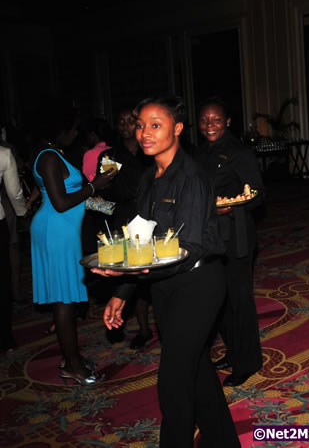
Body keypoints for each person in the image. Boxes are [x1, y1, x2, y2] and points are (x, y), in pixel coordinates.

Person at [95, 97, 238, 447]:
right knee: (197, 369)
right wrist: (122, 292)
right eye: (141, 125)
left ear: (177, 129)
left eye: (155, 125)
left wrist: (134, 271)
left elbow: (186, 247)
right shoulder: (148, 178)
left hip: (199, 285)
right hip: (163, 286)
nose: (145, 133)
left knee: (173, 381)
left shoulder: (192, 177)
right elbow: (140, 236)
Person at [31, 111, 117, 384]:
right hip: (55, 231)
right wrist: (94, 186)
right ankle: (73, 366)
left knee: (67, 296)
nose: (76, 133)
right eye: (72, 129)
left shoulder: (55, 152)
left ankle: (71, 358)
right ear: (60, 128)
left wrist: (111, 207)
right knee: (64, 299)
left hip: (64, 230)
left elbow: (74, 198)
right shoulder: (47, 157)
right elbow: (60, 202)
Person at [194, 96, 264, 387]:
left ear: (228, 122)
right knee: (217, 299)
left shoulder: (239, 153)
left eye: (216, 120)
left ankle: (247, 361)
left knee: (239, 300)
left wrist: (233, 205)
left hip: (236, 234)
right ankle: (233, 352)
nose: (210, 125)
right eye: (205, 120)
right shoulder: (198, 153)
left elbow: (258, 193)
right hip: (209, 235)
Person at [96, 107, 154, 349]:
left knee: (160, 275)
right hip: (125, 221)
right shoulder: (111, 157)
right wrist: (116, 212)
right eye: (122, 121)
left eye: (132, 120)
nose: (127, 125)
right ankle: (143, 329)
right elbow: (98, 197)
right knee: (134, 278)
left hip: (155, 218)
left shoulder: (151, 151)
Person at [1, 144, 27, 353]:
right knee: (2, 280)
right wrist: (22, 212)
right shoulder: (3, 154)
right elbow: (15, 192)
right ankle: (5, 337)